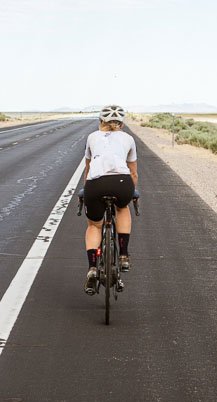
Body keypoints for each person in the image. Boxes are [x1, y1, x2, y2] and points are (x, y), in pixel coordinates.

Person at [82, 105, 138, 295]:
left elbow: (88, 169)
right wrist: (132, 192)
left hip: (95, 183)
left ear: (100, 122)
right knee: (122, 208)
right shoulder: (128, 139)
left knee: (94, 226)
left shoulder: (92, 137)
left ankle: (92, 268)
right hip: (122, 181)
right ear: (122, 123)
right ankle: (123, 255)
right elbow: (133, 172)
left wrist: (86, 191)